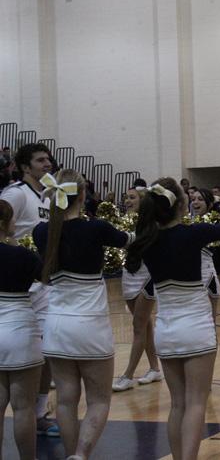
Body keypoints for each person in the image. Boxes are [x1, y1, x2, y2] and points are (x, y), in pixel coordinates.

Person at [125, 178, 220, 460]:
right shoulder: (192, 234)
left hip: (166, 331)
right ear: (181, 205)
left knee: (178, 405)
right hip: (195, 329)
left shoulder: (147, 241)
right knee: (196, 404)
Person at [33, 170, 133, 459]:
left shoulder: (42, 231)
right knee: (99, 400)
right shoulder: (96, 228)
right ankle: (81, 454)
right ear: (84, 195)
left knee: (65, 401)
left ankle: (71, 454)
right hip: (90, 327)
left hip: (56, 327)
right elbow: (130, 240)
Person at [0, 142, 58, 437]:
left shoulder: (50, 196)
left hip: (42, 282)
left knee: (48, 349)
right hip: (18, 283)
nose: (47, 163)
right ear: (25, 166)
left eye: (48, 159)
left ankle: (39, 412)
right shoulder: (15, 194)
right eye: (40, 160)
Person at [0, 199, 44, 460]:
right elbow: (47, 277)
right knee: (24, 408)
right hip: (20, 330)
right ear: (5, 223)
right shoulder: (25, 256)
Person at [113, 187, 163, 392]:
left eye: (132, 197)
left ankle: (127, 375)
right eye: (126, 197)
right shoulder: (125, 221)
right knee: (145, 324)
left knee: (138, 326)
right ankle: (154, 368)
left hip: (147, 276)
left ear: (144, 202)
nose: (127, 200)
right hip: (129, 274)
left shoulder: (152, 225)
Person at [190, 188, 220, 316]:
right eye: (193, 199)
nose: (195, 202)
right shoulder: (186, 222)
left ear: (209, 204)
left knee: (210, 322)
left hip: (206, 275)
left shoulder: (213, 223)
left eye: (200, 199)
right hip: (188, 278)